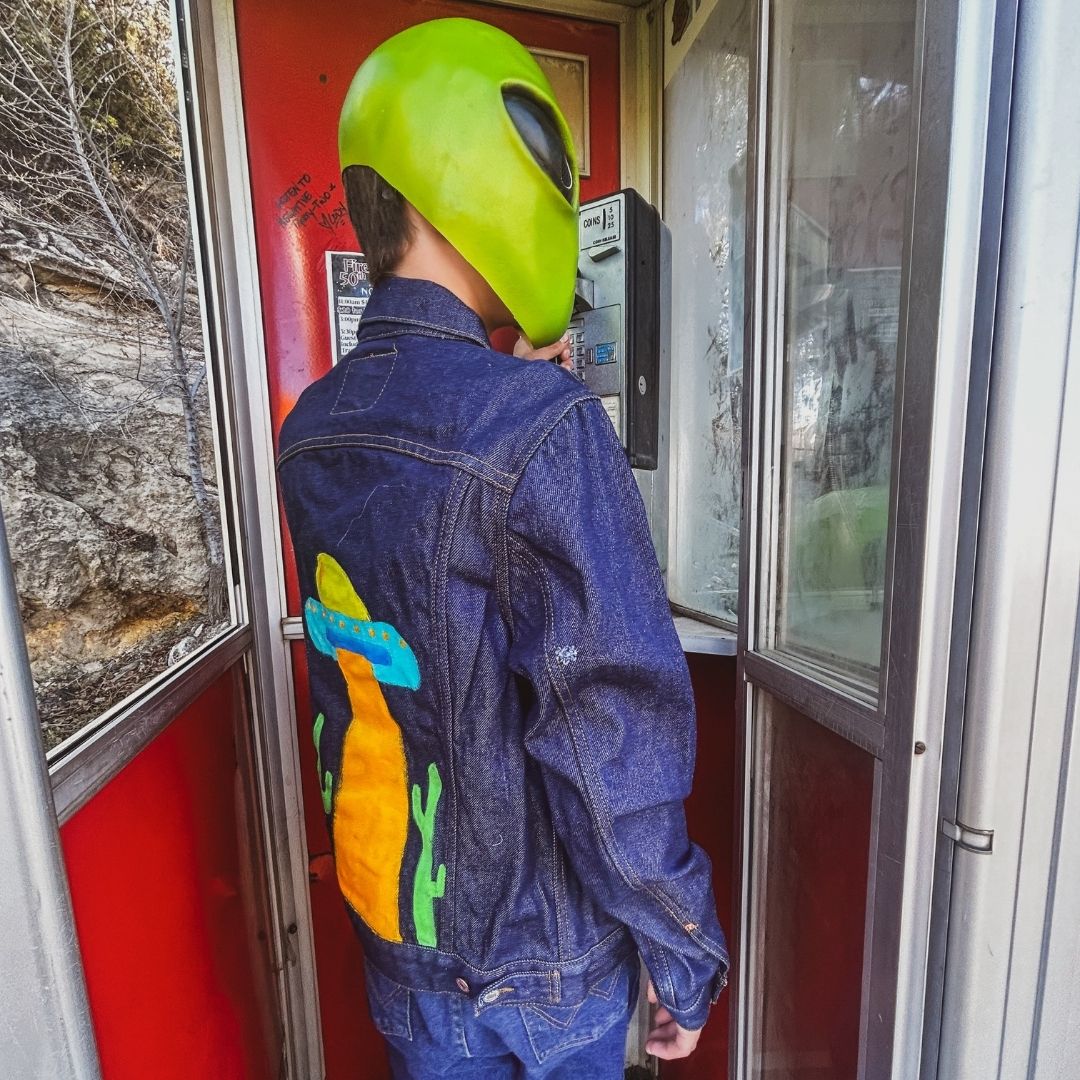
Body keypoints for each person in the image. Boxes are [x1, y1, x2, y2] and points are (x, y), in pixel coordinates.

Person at [277, 18, 728, 1079]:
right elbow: (603, 732)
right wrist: (682, 949)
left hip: (406, 950)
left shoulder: (314, 428)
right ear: (472, 175)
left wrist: (517, 383)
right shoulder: (540, 430)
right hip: (545, 972)